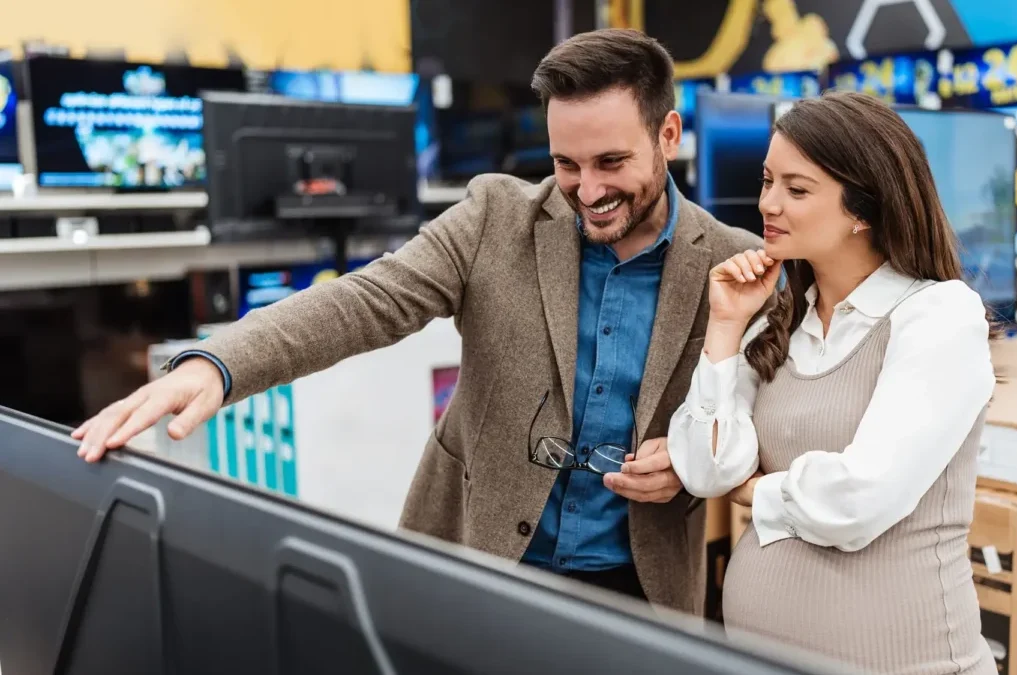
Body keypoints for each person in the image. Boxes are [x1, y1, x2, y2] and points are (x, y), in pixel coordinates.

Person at [70, 29, 762, 615]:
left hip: (638, 589)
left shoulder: (733, 263)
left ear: (668, 134)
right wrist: (217, 364)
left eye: (611, 161)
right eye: (565, 164)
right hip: (478, 562)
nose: (587, 189)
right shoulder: (496, 216)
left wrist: (691, 462)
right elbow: (366, 300)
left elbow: (774, 421)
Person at [666, 91, 998, 674]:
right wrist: (724, 325)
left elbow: (860, 498)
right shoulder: (780, 320)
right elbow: (705, 467)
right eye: (767, 181)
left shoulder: (940, 313)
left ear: (864, 209)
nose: (768, 203)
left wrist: (755, 491)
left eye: (797, 190)